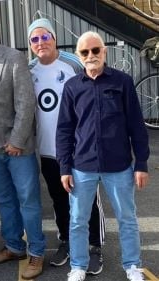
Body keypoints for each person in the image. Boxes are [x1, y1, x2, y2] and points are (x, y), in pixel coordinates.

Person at [57, 31, 149, 281]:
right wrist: (65, 167)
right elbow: (64, 129)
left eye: (95, 50)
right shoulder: (72, 87)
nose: (90, 56)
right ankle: (78, 266)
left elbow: (136, 125)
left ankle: (132, 265)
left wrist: (141, 163)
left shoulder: (123, 82)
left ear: (104, 51)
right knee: (77, 220)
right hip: (82, 166)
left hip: (118, 165)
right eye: (85, 52)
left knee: (127, 219)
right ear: (78, 55)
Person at [27, 18, 106, 274]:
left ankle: (95, 247)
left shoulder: (74, 63)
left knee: (87, 202)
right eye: (34, 39)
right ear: (30, 44)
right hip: (48, 150)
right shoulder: (29, 70)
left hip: (79, 151)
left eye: (45, 36)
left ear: (54, 37)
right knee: (59, 200)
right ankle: (67, 241)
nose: (41, 43)